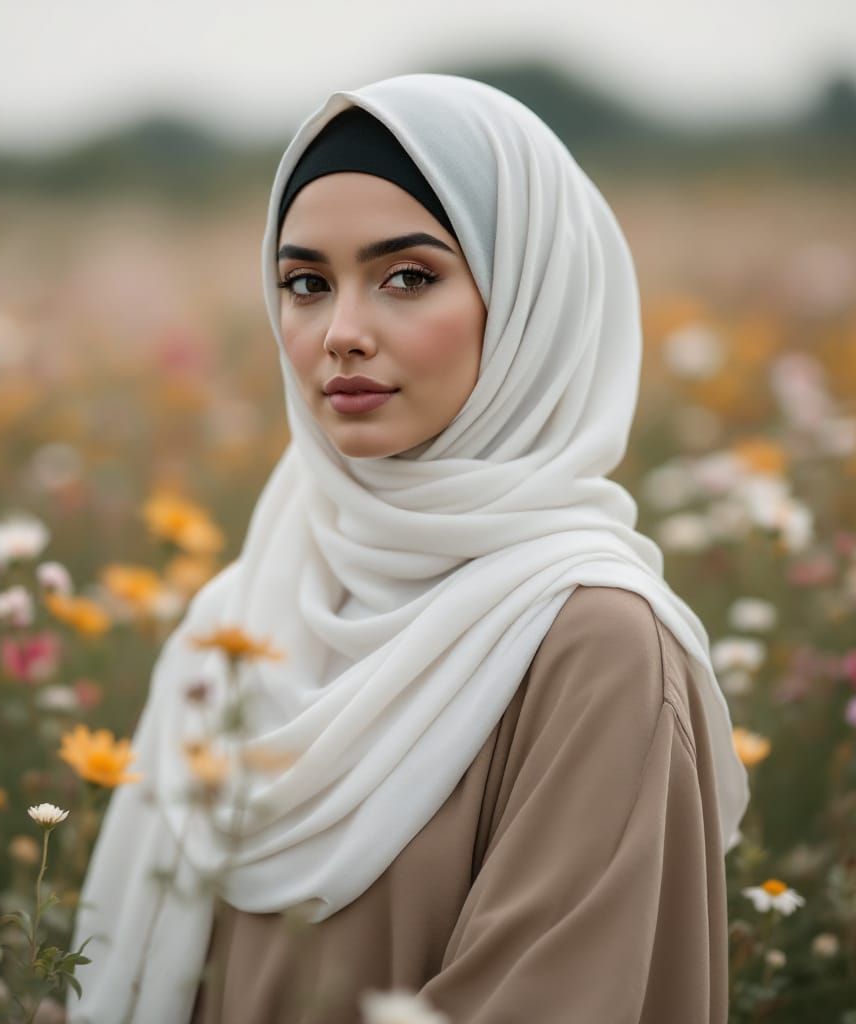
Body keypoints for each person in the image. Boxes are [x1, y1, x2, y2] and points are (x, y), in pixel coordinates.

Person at [68, 73, 750, 1024]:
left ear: (528, 304)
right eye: (306, 284)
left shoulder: (595, 648)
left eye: (408, 278)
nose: (341, 334)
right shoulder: (238, 619)